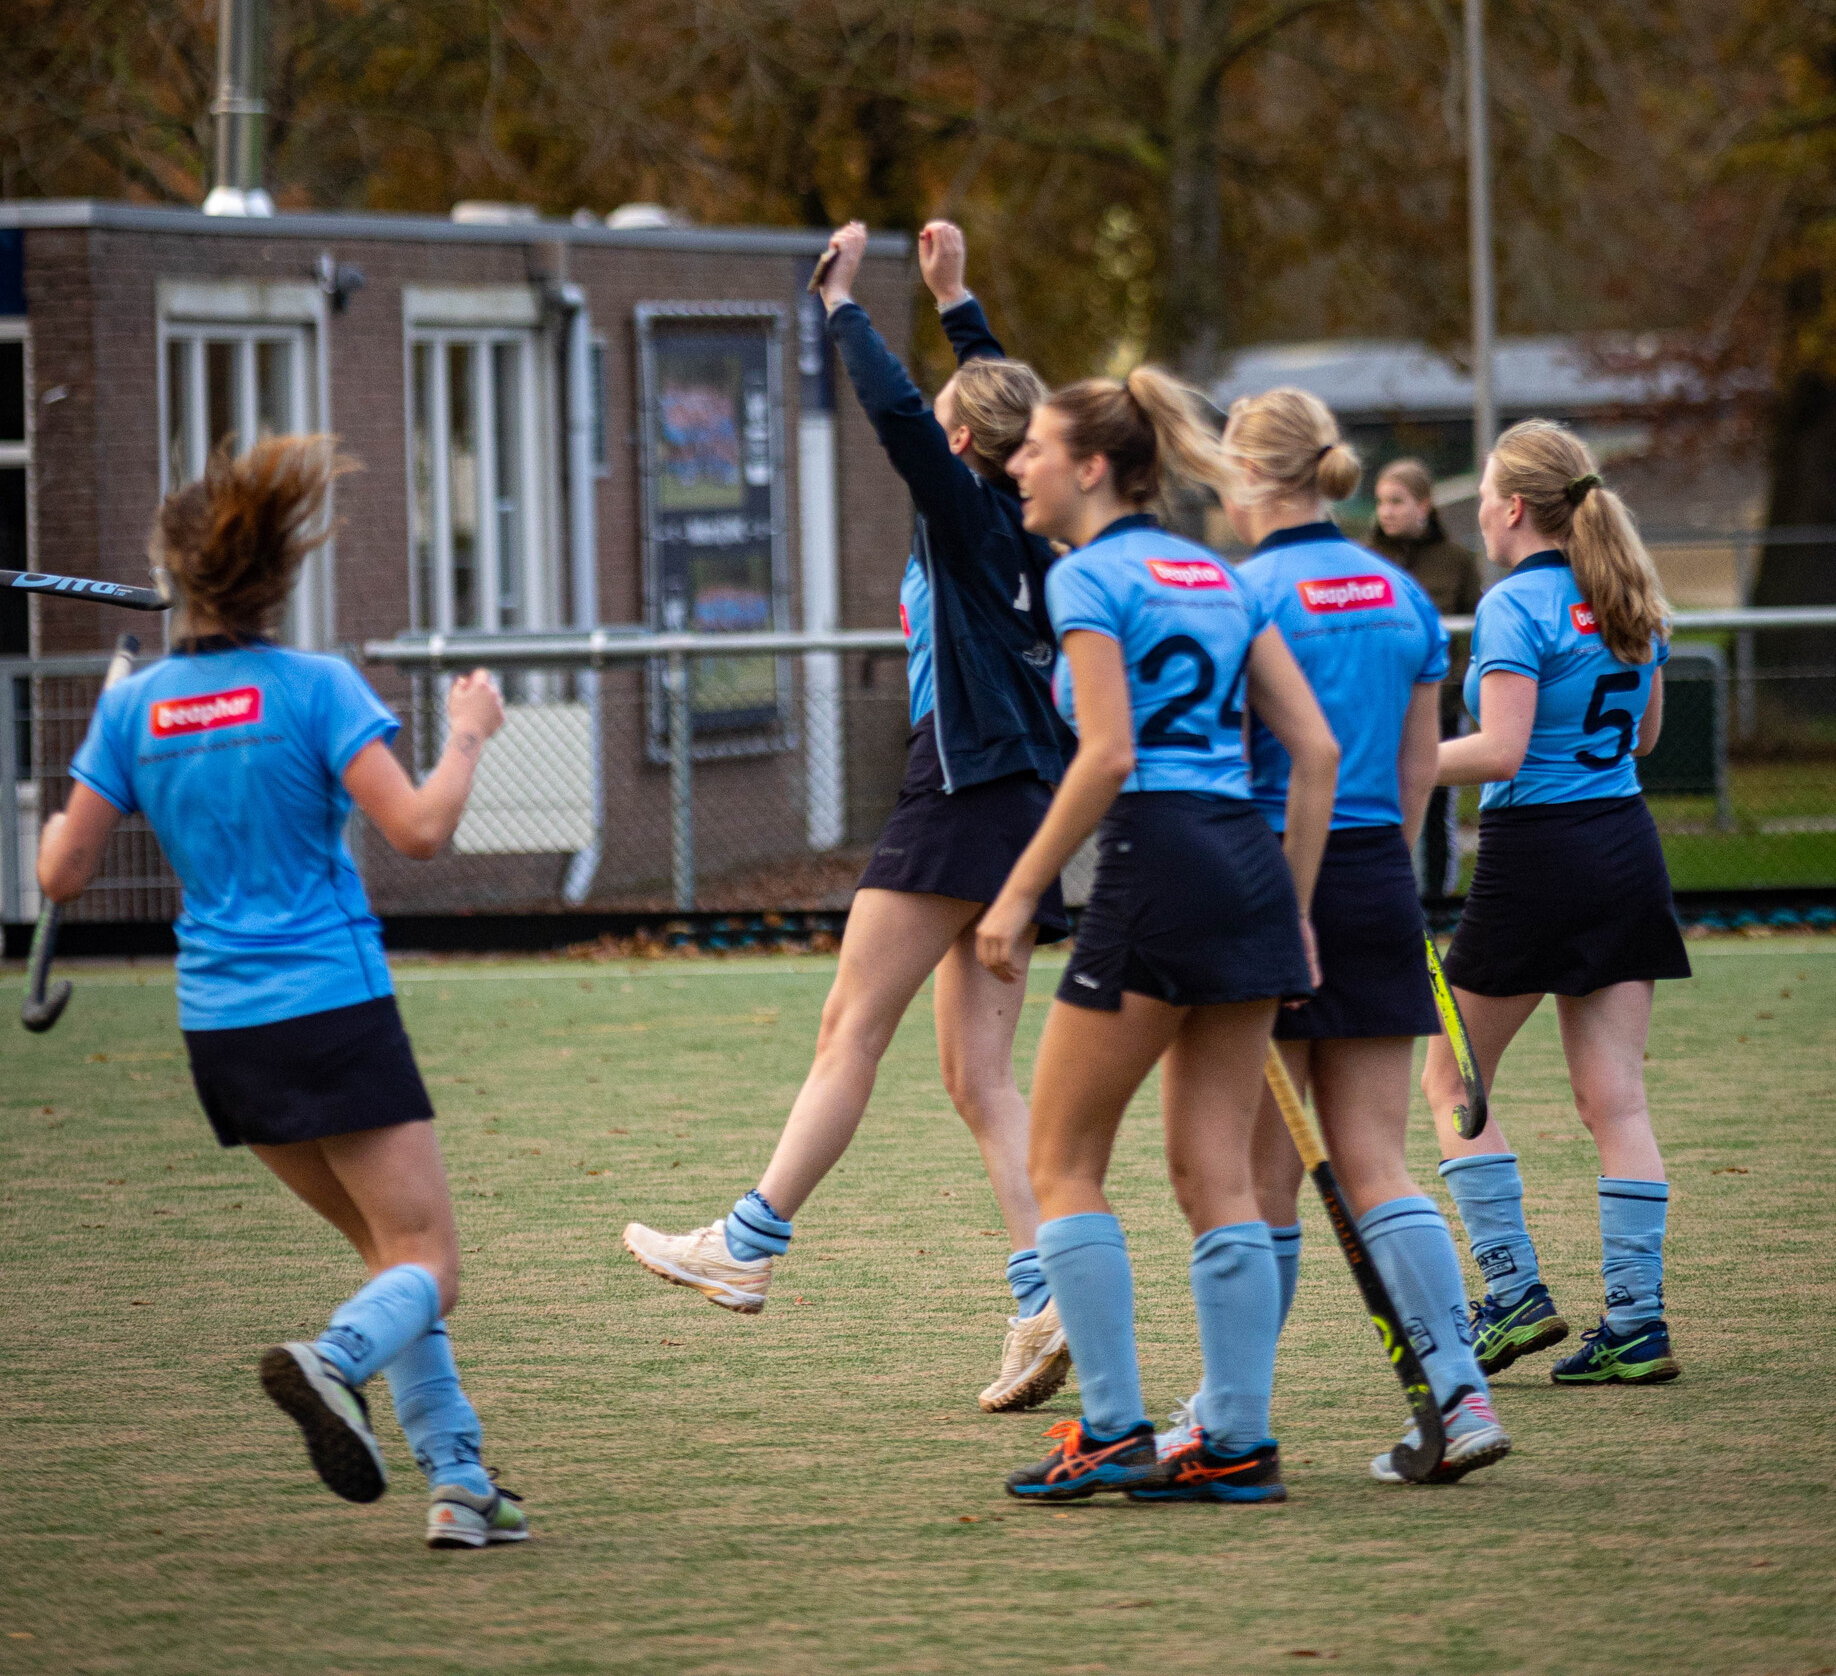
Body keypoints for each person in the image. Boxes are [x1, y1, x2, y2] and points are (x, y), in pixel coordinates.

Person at [33, 434, 527, 1548]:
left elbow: (60, 872)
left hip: (221, 1031)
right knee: (428, 1266)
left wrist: (95, 756)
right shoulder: (312, 687)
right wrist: (466, 736)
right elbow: (423, 828)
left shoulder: (136, 708)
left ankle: (460, 1482)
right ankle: (333, 1361)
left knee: (388, 1259)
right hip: (333, 1008)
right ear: (275, 575)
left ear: (173, 577)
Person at [623, 219, 1076, 1414]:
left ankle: (749, 1242)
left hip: (964, 787)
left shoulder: (971, 513)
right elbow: (996, 405)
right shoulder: (1035, 521)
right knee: (980, 1079)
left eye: (950, 420)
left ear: (963, 442)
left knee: (849, 1028)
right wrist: (959, 302)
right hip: (1027, 798)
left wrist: (840, 305)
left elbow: (902, 419)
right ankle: (1046, 1291)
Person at [977, 369, 1341, 1508]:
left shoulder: (1086, 577)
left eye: (1032, 448)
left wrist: (1012, 894)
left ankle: (1112, 1430)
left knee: (1061, 1160)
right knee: (1212, 1174)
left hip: (1156, 858)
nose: (1015, 466)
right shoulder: (1222, 577)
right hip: (1242, 857)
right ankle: (1234, 1439)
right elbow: (1317, 751)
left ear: (1091, 466)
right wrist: (1290, 906)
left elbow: (1108, 755)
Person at [1205, 391, 1509, 1485]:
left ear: (1249, 478)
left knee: (1255, 1176)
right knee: (1378, 1158)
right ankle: (1461, 1392)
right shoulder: (1402, 593)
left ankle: (1226, 1416)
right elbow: (1421, 769)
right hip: (1382, 873)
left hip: (1278, 876)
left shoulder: (1242, 594)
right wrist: (1389, 879)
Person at [1421, 419, 1690, 1387]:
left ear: (1512, 509)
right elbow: (1644, 739)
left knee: (1452, 1084)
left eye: (1485, 495)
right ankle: (1637, 1324)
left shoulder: (1511, 605)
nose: (1480, 512)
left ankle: (1512, 1293)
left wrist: (1381, 766)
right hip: (1623, 847)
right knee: (1614, 1098)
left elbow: (1497, 751)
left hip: (1536, 855)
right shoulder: (1626, 592)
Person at [1372, 458, 1483, 909]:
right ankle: (1384, 895)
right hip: (1380, 703)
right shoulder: (1367, 561)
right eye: (1381, 503)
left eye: (1397, 502)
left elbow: (1471, 631)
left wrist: (1454, 686)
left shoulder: (1457, 561)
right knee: (1379, 800)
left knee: (1435, 802)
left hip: (1438, 706)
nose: (1387, 512)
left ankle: (1436, 900)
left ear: (1424, 505)